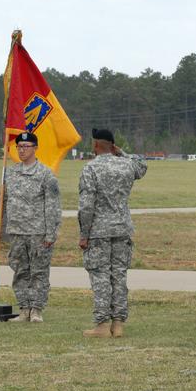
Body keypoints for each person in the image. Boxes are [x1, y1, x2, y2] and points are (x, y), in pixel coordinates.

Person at [78, 128, 147, 338]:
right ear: (113, 146)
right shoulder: (126, 165)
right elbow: (142, 166)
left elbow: (86, 205)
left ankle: (101, 325)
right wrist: (122, 152)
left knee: (100, 276)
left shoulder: (91, 168)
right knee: (119, 276)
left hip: (98, 230)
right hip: (122, 228)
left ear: (96, 145)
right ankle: (118, 324)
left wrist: (84, 233)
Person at [0, 132, 61, 322]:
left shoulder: (46, 174)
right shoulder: (11, 173)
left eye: (26, 146)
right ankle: (23, 309)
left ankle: (36, 309)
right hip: (16, 231)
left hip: (38, 231)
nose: (22, 150)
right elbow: (2, 199)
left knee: (39, 272)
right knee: (20, 271)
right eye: (19, 147)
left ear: (35, 148)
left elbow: (53, 206)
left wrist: (51, 233)